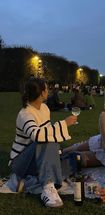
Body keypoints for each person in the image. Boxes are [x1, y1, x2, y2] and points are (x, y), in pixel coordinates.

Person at [1, 78, 79, 207]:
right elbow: (38, 136)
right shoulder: (25, 114)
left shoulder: (44, 108)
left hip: (38, 157)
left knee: (74, 159)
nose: (48, 91)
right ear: (42, 93)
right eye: (47, 89)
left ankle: (30, 180)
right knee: (48, 141)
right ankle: (47, 186)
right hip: (22, 161)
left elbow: (46, 131)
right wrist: (64, 124)